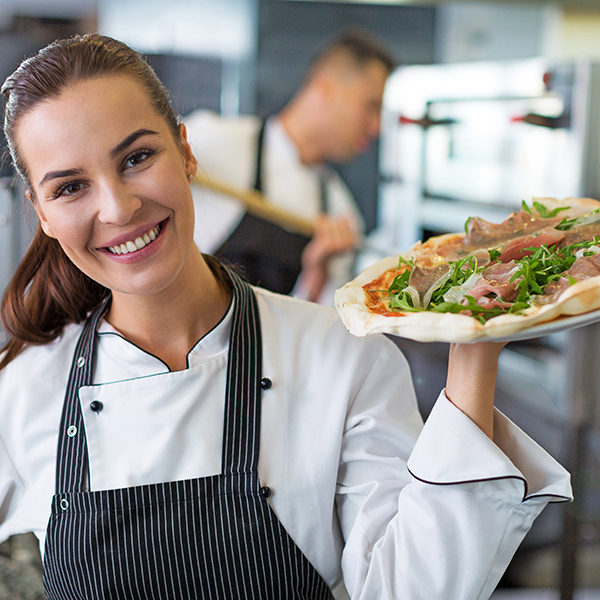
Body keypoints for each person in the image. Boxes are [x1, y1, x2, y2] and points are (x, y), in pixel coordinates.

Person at [0, 34, 570, 600]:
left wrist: (475, 339)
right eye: (71, 187)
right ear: (41, 213)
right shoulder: (24, 390)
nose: (119, 207)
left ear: (186, 150)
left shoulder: (343, 357)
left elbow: (412, 590)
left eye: (137, 158)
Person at [185, 29, 392, 304]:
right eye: (371, 106)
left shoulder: (341, 215)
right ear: (327, 88)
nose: (376, 127)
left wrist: (316, 274)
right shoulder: (212, 141)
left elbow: (316, 334)